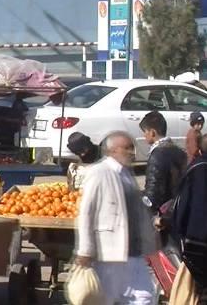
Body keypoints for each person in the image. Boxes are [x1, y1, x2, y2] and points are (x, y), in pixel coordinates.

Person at [75, 131, 157, 305]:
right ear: (112, 150)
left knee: (145, 298)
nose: (132, 152)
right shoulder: (99, 172)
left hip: (134, 252)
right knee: (108, 299)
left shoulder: (126, 173)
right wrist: (85, 250)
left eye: (132, 148)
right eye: (126, 148)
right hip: (109, 253)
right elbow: (86, 212)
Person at [172, 133, 207, 303]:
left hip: (200, 243)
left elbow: (182, 206)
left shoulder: (196, 169)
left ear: (199, 149)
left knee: (206, 292)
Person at [140, 111, 187, 217]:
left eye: (145, 132)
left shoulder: (157, 155)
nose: (144, 135)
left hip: (163, 212)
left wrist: (147, 211)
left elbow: (153, 190)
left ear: (152, 132)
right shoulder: (178, 150)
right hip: (178, 207)